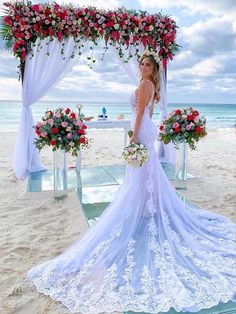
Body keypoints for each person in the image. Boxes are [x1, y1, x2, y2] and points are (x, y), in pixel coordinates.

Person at [28, 51, 236, 314]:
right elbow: (143, 110)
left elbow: (138, 114)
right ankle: (145, 208)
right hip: (148, 130)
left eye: (148, 64)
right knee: (146, 174)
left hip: (143, 131)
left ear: (153, 69)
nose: (144, 66)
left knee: (142, 173)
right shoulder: (149, 86)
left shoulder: (144, 85)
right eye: (142, 63)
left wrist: (134, 137)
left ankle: (144, 209)